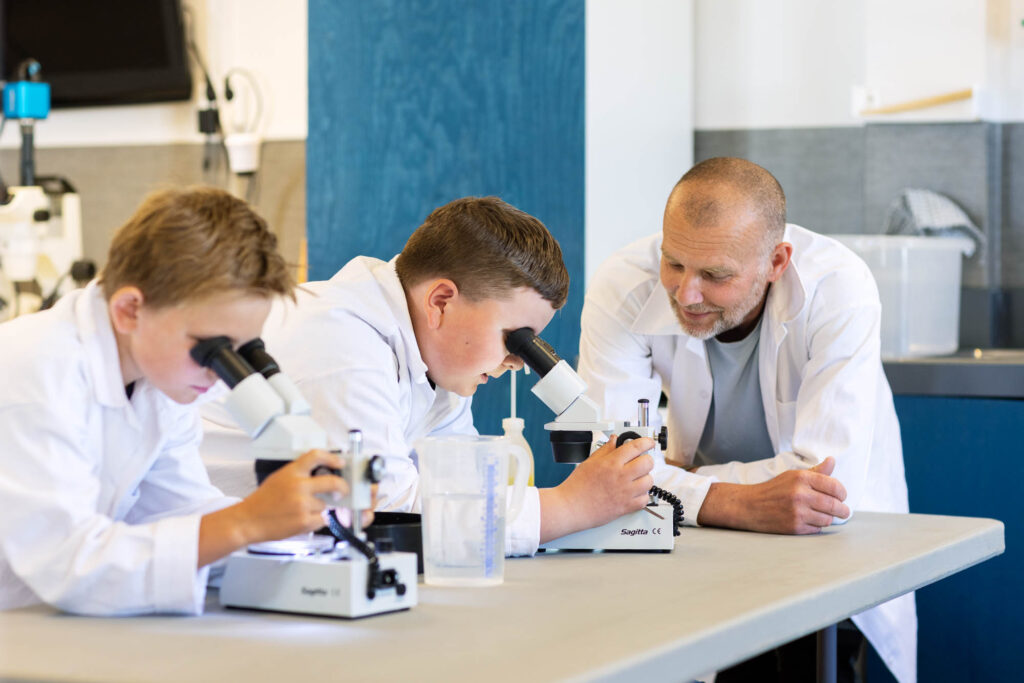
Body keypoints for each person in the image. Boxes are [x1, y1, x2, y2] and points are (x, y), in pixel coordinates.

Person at [577, 158, 915, 683]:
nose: (686, 294)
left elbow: (824, 489)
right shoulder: (624, 283)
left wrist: (673, 479)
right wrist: (734, 502)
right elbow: (608, 470)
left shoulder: (837, 288)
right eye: (673, 263)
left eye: (715, 276)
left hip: (821, 548)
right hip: (696, 542)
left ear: (776, 261)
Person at [203, 196, 656, 556]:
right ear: (441, 302)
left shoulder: (435, 367)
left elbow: (463, 493)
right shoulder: (340, 340)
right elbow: (389, 511)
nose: (518, 362)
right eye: (515, 339)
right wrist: (572, 506)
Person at [0, 187, 353, 616]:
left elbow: (178, 511)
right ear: (130, 310)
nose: (220, 374)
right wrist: (248, 521)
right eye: (210, 349)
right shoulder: (35, 373)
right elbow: (69, 563)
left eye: (241, 351)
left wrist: (305, 517)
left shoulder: (159, 378)